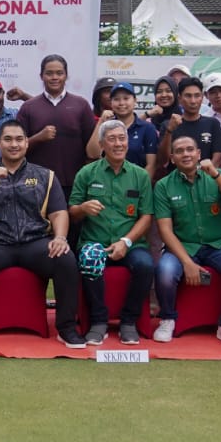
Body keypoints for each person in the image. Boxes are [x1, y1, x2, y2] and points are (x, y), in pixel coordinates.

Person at [0, 121, 84, 348]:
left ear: (27, 142)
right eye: (8, 139)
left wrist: (59, 238)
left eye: (19, 139)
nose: (14, 144)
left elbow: (59, 213)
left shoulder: (45, 176)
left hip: (36, 243)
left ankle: (67, 327)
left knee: (66, 259)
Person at [151, 134, 221, 346]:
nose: (185, 154)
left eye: (190, 150)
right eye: (179, 151)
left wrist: (216, 175)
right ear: (172, 158)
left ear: (198, 154)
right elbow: (165, 230)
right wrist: (187, 262)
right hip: (182, 245)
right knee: (165, 272)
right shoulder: (163, 186)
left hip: (219, 243)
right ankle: (167, 319)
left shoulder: (218, 175)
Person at [67, 120, 154, 345]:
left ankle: (128, 321)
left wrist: (126, 241)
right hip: (94, 241)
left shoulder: (140, 175)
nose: (118, 143)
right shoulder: (87, 173)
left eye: (122, 138)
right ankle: (98, 321)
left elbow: (146, 216)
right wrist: (83, 208)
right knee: (89, 257)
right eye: (112, 139)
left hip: (131, 242)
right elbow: (72, 212)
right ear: (101, 144)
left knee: (146, 265)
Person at [14, 54, 97, 196]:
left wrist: (86, 179)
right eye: (49, 73)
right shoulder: (28, 107)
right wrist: (38, 137)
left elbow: (91, 148)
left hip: (73, 183)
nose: (54, 77)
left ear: (66, 76)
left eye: (59, 73)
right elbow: (16, 147)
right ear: (41, 76)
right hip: (36, 183)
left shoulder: (81, 105)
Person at [88, 81, 160, 178]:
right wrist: (101, 121)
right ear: (111, 102)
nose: (121, 103)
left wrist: (141, 186)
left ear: (135, 101)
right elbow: (92, 154)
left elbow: (151, 165)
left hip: (135, 185)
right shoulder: (106, 126)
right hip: (107, 183)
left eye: (126, 98)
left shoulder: (147, 128)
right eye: (116, 99)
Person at [154, 77, 221, 171]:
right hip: (177, 181)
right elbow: (163, 161)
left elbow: (218, 158)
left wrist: (201, 176)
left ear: (202, 98)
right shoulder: (169, 125)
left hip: (206, 180)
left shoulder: (212, 124)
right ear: (179, 98)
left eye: (197, 96)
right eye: (188, 96)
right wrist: (169, 131)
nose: (193, 101)